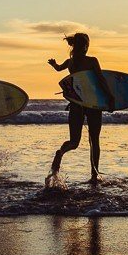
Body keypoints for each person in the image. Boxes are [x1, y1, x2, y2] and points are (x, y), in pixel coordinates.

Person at [48, 32, 115, 182]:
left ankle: (60, 152)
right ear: (85, 46)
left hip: (76, 104)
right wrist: (110, 97)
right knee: (94, 141)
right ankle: (94, 175)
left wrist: (54, 65)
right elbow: (101, 80)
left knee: (74, 142)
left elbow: (59, 69)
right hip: (92, 103)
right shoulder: (92, 61)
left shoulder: (70, 63)